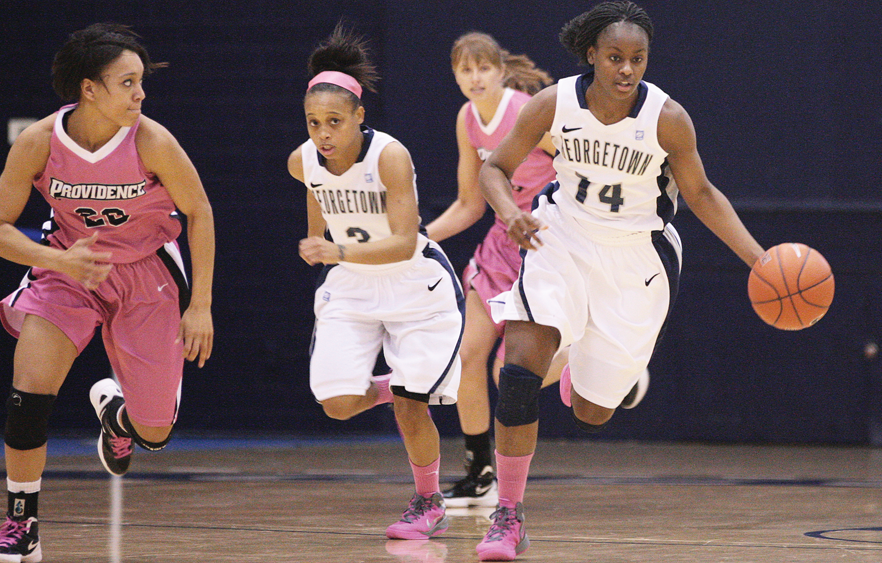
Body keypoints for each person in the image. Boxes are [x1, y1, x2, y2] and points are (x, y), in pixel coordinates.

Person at [475, 2, 766, 560]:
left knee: (592, 411)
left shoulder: (667, 118)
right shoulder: (553, 103)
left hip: (637, 260)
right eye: (615, 57)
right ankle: (507, 516)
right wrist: (510, 212)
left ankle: (587, 368)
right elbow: (495, 167)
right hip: (559, 238)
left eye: (638, 58)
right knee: (516, 373)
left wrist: (758, 259)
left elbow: (702, 195)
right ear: (592, 56)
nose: (627, 69)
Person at [0, 23, 215, 561]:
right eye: (128, 82)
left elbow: (200, 211)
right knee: (28, 396)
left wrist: (201, 305)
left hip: (147, 273)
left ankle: (118, 417)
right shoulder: (39, 142)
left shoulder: (152, 140)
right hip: (69, 270)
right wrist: (56, 260)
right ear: (89, 88)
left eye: (141, 81)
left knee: (155, 431)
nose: (140, 94)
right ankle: (20, 523)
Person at [288, 24, 464, 540]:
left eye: (335, 121)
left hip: (415, 285)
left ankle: (428, 502)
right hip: (354, 288)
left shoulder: (389, 155)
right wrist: (317, 241)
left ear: (359, 117)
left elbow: (406, 241)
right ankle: (401, 386)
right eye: (314, 122)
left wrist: (335, 249)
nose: (323, 133)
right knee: (338, 404)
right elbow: (316, 200)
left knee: (413, 409)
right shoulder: (303, 162)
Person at [424, 32, 562, 509]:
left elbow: (575, 168)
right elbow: (469, 204)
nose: (474, 77)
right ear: (456, 75)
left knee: (511, 371)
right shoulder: (467, 119)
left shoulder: (526, 110)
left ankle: (587, 369)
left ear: (501, 71)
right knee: (468, 356)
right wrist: (420, 238)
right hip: (501, 244)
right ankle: (479, 471)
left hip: (544, 241)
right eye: (465, 69)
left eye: (483, 67)